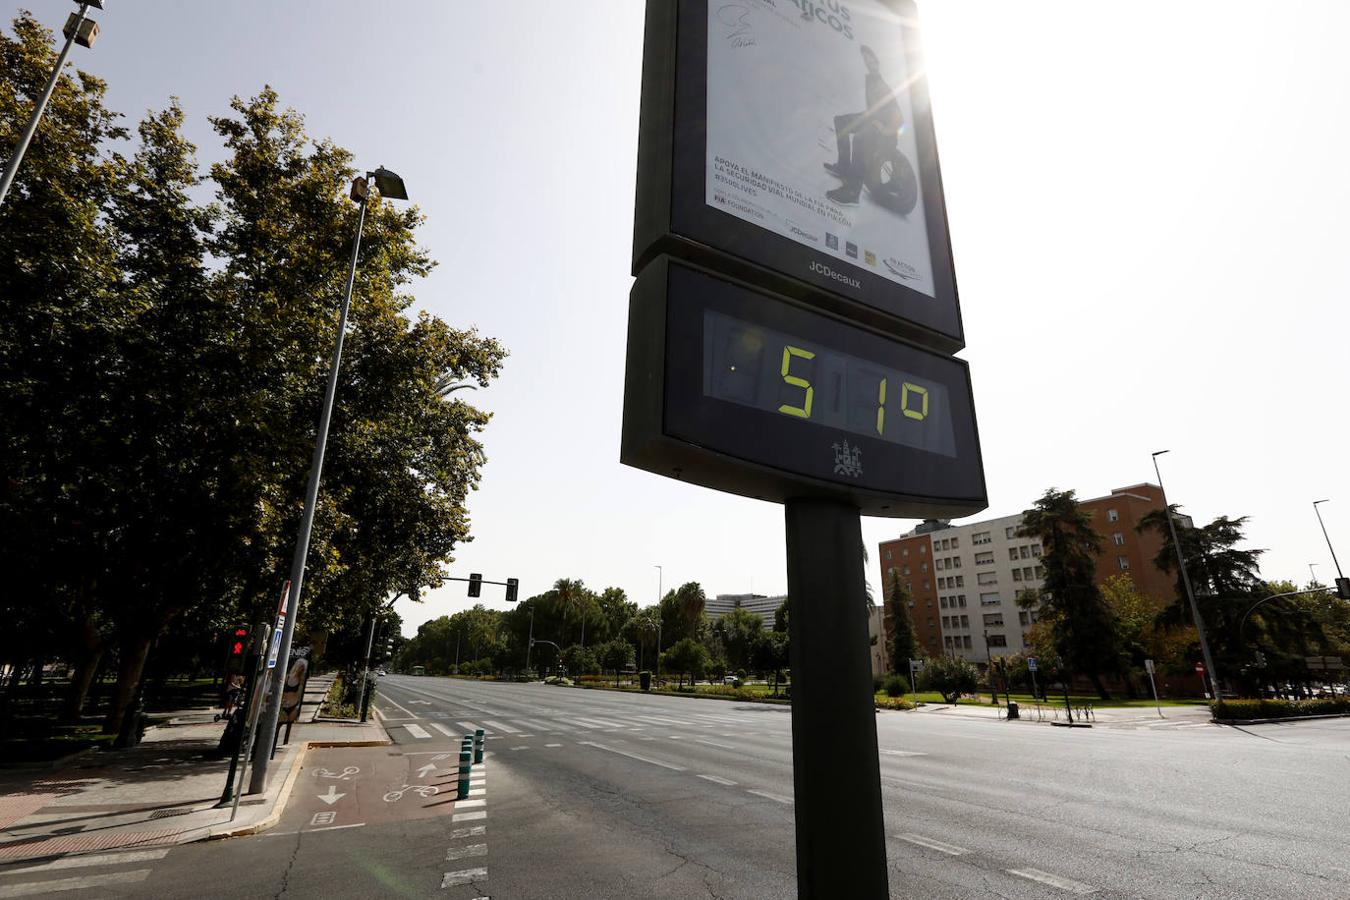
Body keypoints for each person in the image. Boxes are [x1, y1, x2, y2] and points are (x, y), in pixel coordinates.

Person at [824, 45, 904, 206]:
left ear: (877, 63)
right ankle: (844, 166)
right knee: (841, 121)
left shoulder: (882, 85)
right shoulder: (871, 80)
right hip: (872, 120)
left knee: (861, 138)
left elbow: (898, 117)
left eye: (872, 60)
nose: (869, 63)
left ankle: (853, 192)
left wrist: (883, 129)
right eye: (866, 60)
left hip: (886, 134)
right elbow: (874, 110)